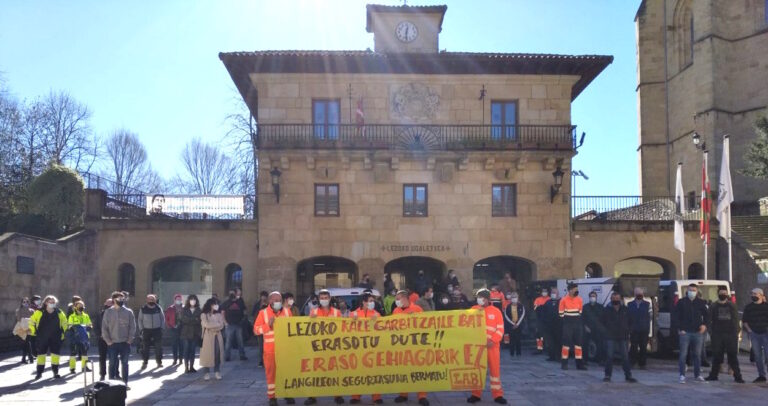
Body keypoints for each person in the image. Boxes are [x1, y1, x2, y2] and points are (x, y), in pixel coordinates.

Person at [467, 289, 507, 404]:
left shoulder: (496, 311)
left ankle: (497, 395)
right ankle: (475, 394)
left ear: (488, 299)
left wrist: (493, 341)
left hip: (492, 347)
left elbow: (500, 329)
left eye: (482, 298)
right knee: (477, 370)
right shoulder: (473, 310)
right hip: (477, 347)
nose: (479, 300)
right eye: (478, 297)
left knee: (495, 371)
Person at [254, 291, 294, 406]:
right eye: (275, 300)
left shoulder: (287, 312)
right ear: (270, 301)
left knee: (286, 373)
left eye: (279, 300)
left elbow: (292, 328)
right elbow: (256, 330)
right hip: (270, 351)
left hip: (285, 350)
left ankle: (288, 394)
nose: (277, 302)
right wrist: (268, 326)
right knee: (271, 374)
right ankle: (272, 397)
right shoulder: (263, 313)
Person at [306, 289, 343, 405]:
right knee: (315, 372)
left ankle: (338, 395)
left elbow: (343, 329)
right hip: (318, 347)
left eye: (326, 298)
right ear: (318, 299)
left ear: (330, 298)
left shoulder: (337, 312)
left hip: (333, 347)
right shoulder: (313, 312)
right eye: (322, 298)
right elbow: (309, 329)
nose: (324, 300)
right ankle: (312, 396)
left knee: (335, 371)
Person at [391, 290, 428, 406]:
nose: (396, 301)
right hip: (401, 347)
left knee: (419, 372)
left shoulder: (417, 309)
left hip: (415, 347)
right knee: (403, 371)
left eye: (398, 298)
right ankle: (403, 394)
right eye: (396, 299)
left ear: (405, 299)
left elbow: (425, 326)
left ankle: (422, 396)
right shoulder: (395, 311)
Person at [672, 283, 709, 383]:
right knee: (683, 355)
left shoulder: (701, 302)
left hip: (697, 332)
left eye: (694, 290)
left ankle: (697, 375)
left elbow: (707, 315)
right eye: (690, 290)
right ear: (687, 291)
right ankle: (682, 375)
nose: (692, 292)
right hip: (685, 332)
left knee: (697, 355)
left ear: (697, 292)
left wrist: (704, 325)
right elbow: (676, 316)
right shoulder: (681, 302)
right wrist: (680, 328)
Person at [705, 288, 744, 383]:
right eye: (721, 293)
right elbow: (709, 319)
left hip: (730, 334)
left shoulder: (732, 305)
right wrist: (711, 332)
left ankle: (738, 376)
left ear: (727, 295)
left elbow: (736, 319)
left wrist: (736, 332)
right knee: (717, 356)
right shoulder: (713, 306)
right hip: (717, 334)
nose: (723, 295)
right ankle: (713, 375)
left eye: (725, 293)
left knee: (732, 356)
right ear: (718, 294)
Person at [350, 293, 382, 404]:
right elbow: (346, 330)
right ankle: (356, 396)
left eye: (373, 301)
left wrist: (376, 322)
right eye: (370, 300)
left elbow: (382, 330)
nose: (372, 303)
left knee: (374, 373)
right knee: (357, 373)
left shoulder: (377, 314)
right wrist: (352, 322)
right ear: (363, 302)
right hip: (358, 349)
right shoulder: (353, 314)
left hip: (373, 348)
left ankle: (376, 397)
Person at [600, 291, 637, 383]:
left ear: (620, 299)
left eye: (617, 299)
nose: (616, 300)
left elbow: (632, 321)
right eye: (614, 299)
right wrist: (605, 331)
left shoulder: (625, 309)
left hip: (623, 336)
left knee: (625, 357)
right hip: (610, 336)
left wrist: (629, 331)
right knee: (609, 357)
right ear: (611, 299)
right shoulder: (606, 310)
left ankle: (628, 376)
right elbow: (600, 322)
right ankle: (607, 375)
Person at [29, 295, 68, 379]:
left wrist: (64, 332)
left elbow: (65, 323)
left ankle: (55, 372)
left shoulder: (59, 312)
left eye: (54, 302)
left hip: (56, 337)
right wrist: (33, 332)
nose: (52, 304)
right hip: (42, 337)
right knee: (41, 355)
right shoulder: (39, 312)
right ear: (46, 302)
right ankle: (39, 372)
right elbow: (32, 321)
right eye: (50, 302)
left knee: (55, 355)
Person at [102, 291, 136, 384]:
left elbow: (132, 327)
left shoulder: (128, 312)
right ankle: (111, 384)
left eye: (122, 299)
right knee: (112, 363)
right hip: (112, 343)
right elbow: (104, 328)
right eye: (119, 298)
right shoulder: (108, 312)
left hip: (125, 343)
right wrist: (108, 341)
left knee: (125, 364)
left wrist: (130, 339)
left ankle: (125, 383)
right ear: (114, 299)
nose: (121, 300)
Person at [742, 287, 768, 383]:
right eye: (752, 294)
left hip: (766, 333)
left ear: (761, 295)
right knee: (757, 356)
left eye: (755, 294)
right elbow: (745, 321)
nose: (753, 295)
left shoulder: (766, 306)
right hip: (754, 334)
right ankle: (761, 375)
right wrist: (750, 331)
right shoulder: (749, 307)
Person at [559, 283, 587, 370]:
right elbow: (561, 314)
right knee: (566, 345)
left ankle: (579, 364)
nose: (576, 291)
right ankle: (564, 363)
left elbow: (580, 312)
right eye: (575, 289)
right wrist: (568, 320)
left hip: (577, 323)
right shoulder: (563, 300)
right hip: (568, 323)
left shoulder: (579, 300)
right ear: (570, 290)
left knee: (578, 345)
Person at [200, 298, 225, 380]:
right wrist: (216, 325)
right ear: (210, 305)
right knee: (207, 354)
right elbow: (206, 324)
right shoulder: (204, 315)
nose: (216, 306)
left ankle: (217, 371)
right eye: (214, 304)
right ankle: (206, 373)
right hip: (207, 337)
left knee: (217, 354)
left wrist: (214, 326)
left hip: (217, 336)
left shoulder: (219, 314)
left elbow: (221, 325)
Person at [138, 294, 165, 369]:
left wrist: (162, 328)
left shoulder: (158, 308)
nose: (151, 301)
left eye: (152, 299)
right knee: (145, 347)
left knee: (158, 347)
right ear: (147, 300)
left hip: (157, 330)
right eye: (149, 299)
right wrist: (141, 329)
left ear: (155, 300)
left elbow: (162, 318)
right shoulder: (143, 308)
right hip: (146, 330)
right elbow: (140, 320)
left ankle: (159, 362)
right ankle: (145, 362)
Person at [627, 287, 650, 369]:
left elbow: (649, 317)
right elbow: (628, 317)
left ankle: (642, 364)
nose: (639, 295)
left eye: (640, 293)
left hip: (644, 329)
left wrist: (648, 329)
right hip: (634, 329)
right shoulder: (630, 304)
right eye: (637, 293)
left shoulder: (647, 304)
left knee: (643, 347)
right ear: (635, 294)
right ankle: (632, 362)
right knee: (633, 347)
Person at [222, 289, 248, 361]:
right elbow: (222, 313)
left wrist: (243, 320)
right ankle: (227, 356)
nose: (232, 294)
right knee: (228, 341)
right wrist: (225, 322)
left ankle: (242, 355)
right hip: (229, 325)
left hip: (238, 324)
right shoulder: (226, 303)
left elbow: (244, 311)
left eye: (233, 293)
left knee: (240, 341)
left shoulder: (240, 302)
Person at [67, 300, 92, 374]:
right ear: (75, 307)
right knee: (73, 353)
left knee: (84, 353)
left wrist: (90, 327)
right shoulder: (72, 316)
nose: (81, 307)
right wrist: (74, 328)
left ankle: (84, 367)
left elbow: (90, 324)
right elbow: (69, 326)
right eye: (79, 306)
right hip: (75, 337)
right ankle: (72, 368)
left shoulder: (86, 315)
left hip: (84, 337)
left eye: (82, 306)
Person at [180, 294, 202, 373]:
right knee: (186, 350)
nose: (193, 301)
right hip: (185, 333)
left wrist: (191, 320)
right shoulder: (184, 309)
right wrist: (194, 319)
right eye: (191, 299)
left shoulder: (199, 310)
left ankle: (192, 366)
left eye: (194, 299)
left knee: (192, 350)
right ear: (188, 301)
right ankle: (186, 367)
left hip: (195, 333)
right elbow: (183, 319)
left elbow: (199, 320)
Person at [582, 291, 604, 365]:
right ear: (589, 297)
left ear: (596, 297)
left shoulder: (600, 307)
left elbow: (603, 319)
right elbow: (582, 318)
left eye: (594, 296)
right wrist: (585, 326)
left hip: (598, 329)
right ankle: (584, 360)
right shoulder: (585, 307)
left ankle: (600, 360)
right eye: (591, 296)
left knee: (600, 345)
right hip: (587, 329)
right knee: (585, 344)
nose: (592, 297)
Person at [93, 298, 112, 380]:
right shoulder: (100, 314)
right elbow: (96, 326)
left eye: (111, 303)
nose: (109, 305)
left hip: (113, 339)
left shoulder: (115, 313)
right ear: (104, 303)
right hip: (102, 339)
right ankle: (102, 374)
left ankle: (114, 373)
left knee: (113, 357)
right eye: (107, 303)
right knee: (102, 357)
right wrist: (99, 335)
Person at [503, 292, 525, 357]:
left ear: (517, 298)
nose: (514, 299)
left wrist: (517, 324)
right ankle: (512, 353)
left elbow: (522, 315)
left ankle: (518, 353)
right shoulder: (508, 306)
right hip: (511, 326)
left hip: (519, 325)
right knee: (511, 340)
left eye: (515, 297)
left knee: (518, 340)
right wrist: (513, 324)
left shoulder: (521, 306)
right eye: (513, 297)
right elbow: (506, 316)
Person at [542, 289, 562, 361]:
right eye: (552, 292)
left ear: (558, 293)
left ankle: (559, 357)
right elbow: (543, 313)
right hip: (549, 326)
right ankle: (551, 356)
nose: (553, 294)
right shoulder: (548, 302)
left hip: (559, 325)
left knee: (559, 342)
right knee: (550, 342)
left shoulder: (561, 302)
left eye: (554, 292)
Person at [165, 293, 184, 365]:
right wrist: (169, 326)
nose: (178, 300)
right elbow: (166, 319)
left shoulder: (184, 308)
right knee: (174, 344)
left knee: (181, 344)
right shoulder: (170, 308)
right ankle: (175, 359)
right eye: (177, 299)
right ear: (174, 300)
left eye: (180, 299)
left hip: (182, 328)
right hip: (174, 328)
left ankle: (181, 359)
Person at [15, 297, 35, 364]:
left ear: (28, 302)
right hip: (22, 328)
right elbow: (18, 319)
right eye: (24, 302)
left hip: (29, 328)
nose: (25, 303)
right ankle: (29, 357)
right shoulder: (19, 310)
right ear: (21, 303)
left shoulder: (31, 310)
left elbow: (33, 319)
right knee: (25, 343)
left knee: (27, 342)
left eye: (26, 302)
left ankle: (25, 358)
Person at [533, 288, 551, 354]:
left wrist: (542, 307)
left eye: (545, 291)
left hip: (548, 320)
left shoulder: (550, 299)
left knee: (547, 334)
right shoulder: (538, 299)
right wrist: (541, 307)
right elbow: (535, 308)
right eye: (543, 291)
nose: (544, 292)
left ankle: (548, 348)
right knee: (538, 334)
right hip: (539, 319)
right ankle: (539, 348)